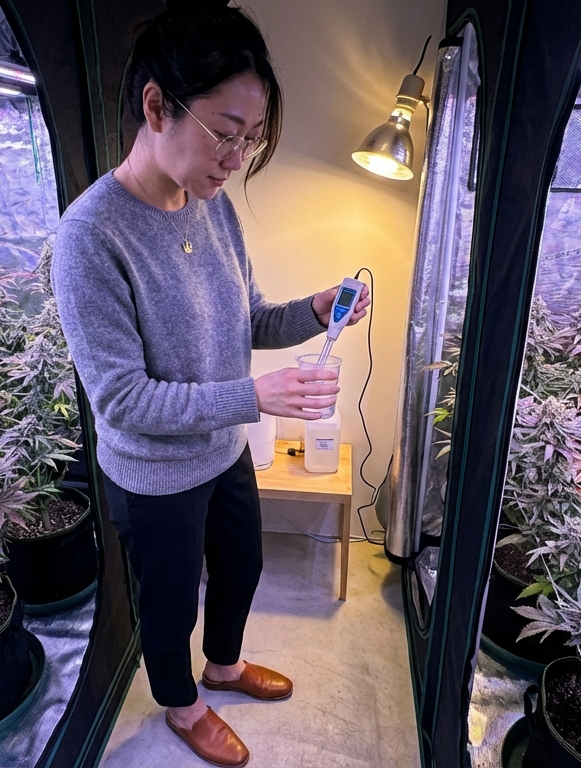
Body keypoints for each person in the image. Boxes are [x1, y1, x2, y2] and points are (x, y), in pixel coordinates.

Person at [51, 1, 370, 765]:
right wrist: (256, 397)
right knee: (166, 605)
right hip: (153, 471)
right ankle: (182, 704)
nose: (237, 158)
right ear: (157, 106)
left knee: (242, 564)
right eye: (227, 133)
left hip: (221, 448)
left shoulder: (211, 205)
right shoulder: (90, 238)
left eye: (251, 140)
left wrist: (312, 310)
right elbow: (123, 402)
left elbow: (246, 318)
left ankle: (222, 666)